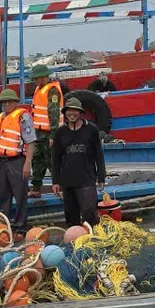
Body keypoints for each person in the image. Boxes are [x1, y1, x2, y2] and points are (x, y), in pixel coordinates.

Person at [51, 97, 106, 227]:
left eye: (75, 111)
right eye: (69, 111)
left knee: (89, 213)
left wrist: (101, 176)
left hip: (87, 180)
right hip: (67, 181)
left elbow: (99, 155)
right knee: (71, 216)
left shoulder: (91, 130)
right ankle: (75, 241)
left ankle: (93, 238)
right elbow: (55, 159)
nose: (72, 114)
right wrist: (55, 181)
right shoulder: (60, 132)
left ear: (80, 113)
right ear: (65, 113)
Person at [0, 88, 35, 236]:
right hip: (1, 161)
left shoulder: (23, 117)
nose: (7, 104)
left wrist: (27, 163)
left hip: (17, 161)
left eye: (10, 101)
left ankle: (21, 227)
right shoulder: (1, 117)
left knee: (20, 194)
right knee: (4, 195)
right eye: (4, 102)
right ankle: (5, 225)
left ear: (16, 102)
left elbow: (30, 142)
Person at [28, 65, 64, 198]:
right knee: (37, 160)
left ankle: (61, 187)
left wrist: (53, 136)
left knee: (52, 161)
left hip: (49, 133)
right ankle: (36, 188)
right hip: (39, 132)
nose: (35, 81)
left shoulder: (52, 90)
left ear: (44, 77)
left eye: (37, 78)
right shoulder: (39, 89)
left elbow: (53, 114)